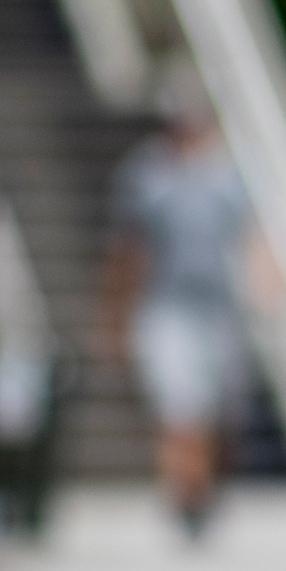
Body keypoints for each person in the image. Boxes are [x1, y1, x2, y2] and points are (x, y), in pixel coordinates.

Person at [102, 73, 255, 541]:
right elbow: (127, 250)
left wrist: (271, 288)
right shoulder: (147, 174)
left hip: (221, 308)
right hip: (165, 306)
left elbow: (255, 237)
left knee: (221, 412)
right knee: (178, 405)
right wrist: (113, 314)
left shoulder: (232, 172)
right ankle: (183, 495)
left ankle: (205, 488)